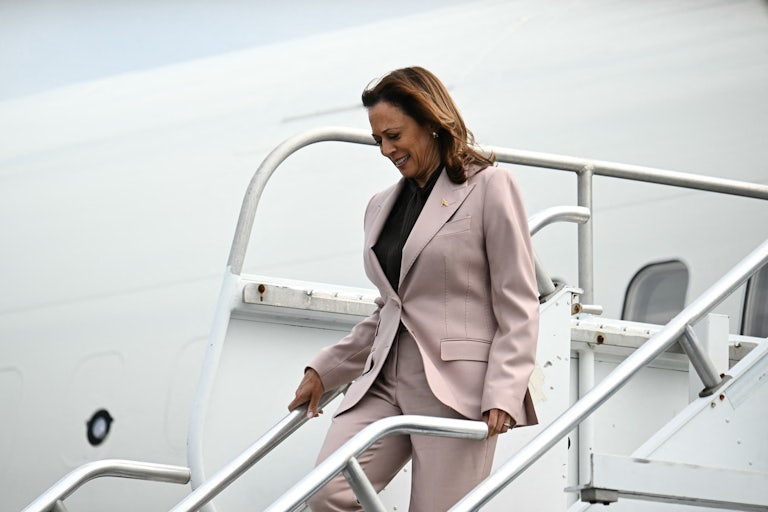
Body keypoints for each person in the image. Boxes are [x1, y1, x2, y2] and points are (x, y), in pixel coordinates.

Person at [288, 66, 540, 511]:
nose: (386, 150)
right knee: (326, 493)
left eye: (394, 135)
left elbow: (517, 300)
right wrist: (327, 368)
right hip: (384, 380)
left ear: (429, 122)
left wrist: (504, 390)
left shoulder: (490, 187)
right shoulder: (380, 206)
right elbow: (392, 307)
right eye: (378, 140)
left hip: (458, 388)